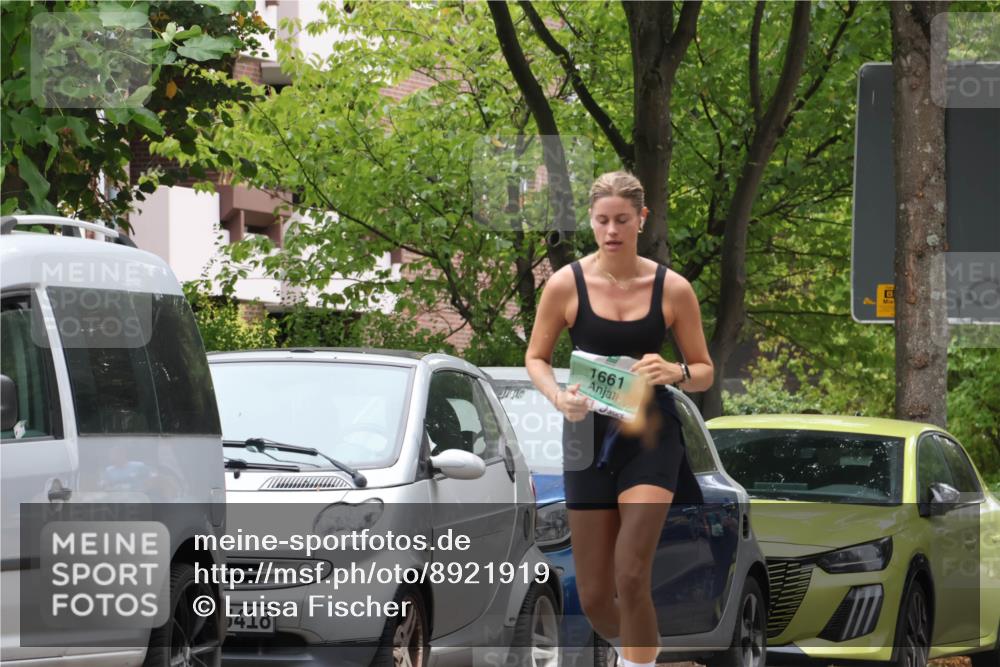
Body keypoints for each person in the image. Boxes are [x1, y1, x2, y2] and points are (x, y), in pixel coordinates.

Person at [525, 171, 714, 667]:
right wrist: (557, 397)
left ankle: (637, 659)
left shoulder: (673, 289)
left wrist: (677, 370)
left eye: (622, 220)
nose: (612, 230)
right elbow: (536, 358)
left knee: (631, 574)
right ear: (591, 220)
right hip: (585, 436)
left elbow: (705, 373)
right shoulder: (566, 285)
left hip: (650, 434)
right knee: (593, 598)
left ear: (641, 220)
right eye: (602, 220)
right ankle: (641, 651)